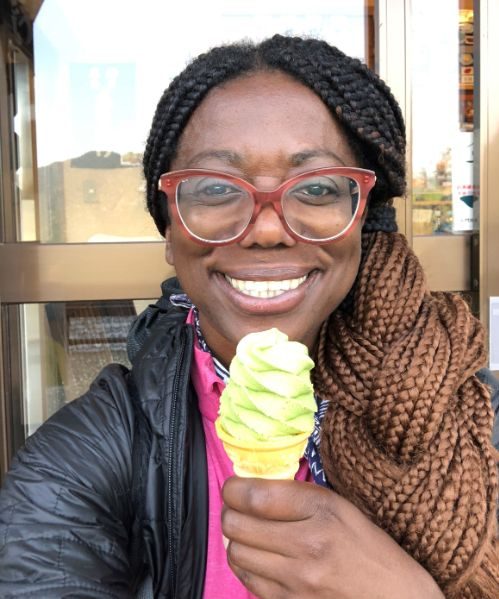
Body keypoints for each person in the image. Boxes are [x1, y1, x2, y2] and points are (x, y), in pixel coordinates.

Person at [0, 34, 498, 599]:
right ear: (169, 230)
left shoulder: (478, 426)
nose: (265, 229)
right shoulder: (77, 466)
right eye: (214, 188)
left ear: (363, 218)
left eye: (315, 188)